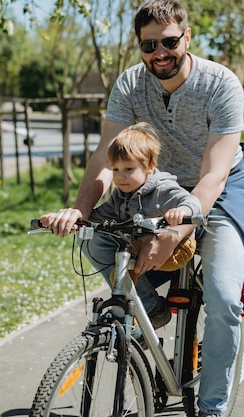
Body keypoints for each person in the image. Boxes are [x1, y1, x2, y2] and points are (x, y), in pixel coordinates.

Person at [41, 1, 244, 416]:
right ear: (139, 46)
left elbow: (213, 175)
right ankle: (152, 310)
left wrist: (177, 232)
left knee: (224, 298)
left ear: (187, 37)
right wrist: (79, 211)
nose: (160, 52)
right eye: (149, 45)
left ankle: (211, 408)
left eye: (170, 42)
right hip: (152, 186)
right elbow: (106, 158)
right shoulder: (129, 84)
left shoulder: (221, 83)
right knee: (97, 244)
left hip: (217, 190)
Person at [43, 122, 201, 326]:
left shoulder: (163, 188)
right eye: (115, 169)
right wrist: (67, 221)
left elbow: (193, 202)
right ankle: (139, 318)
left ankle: (144, 311)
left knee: (124, 269)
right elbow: (99, 218)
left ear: (150, 166)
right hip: (140, 245)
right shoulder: (121, 195)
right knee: (115, 266)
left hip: (175, 248)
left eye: (128, 169)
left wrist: (181, 211)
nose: (120, 176)